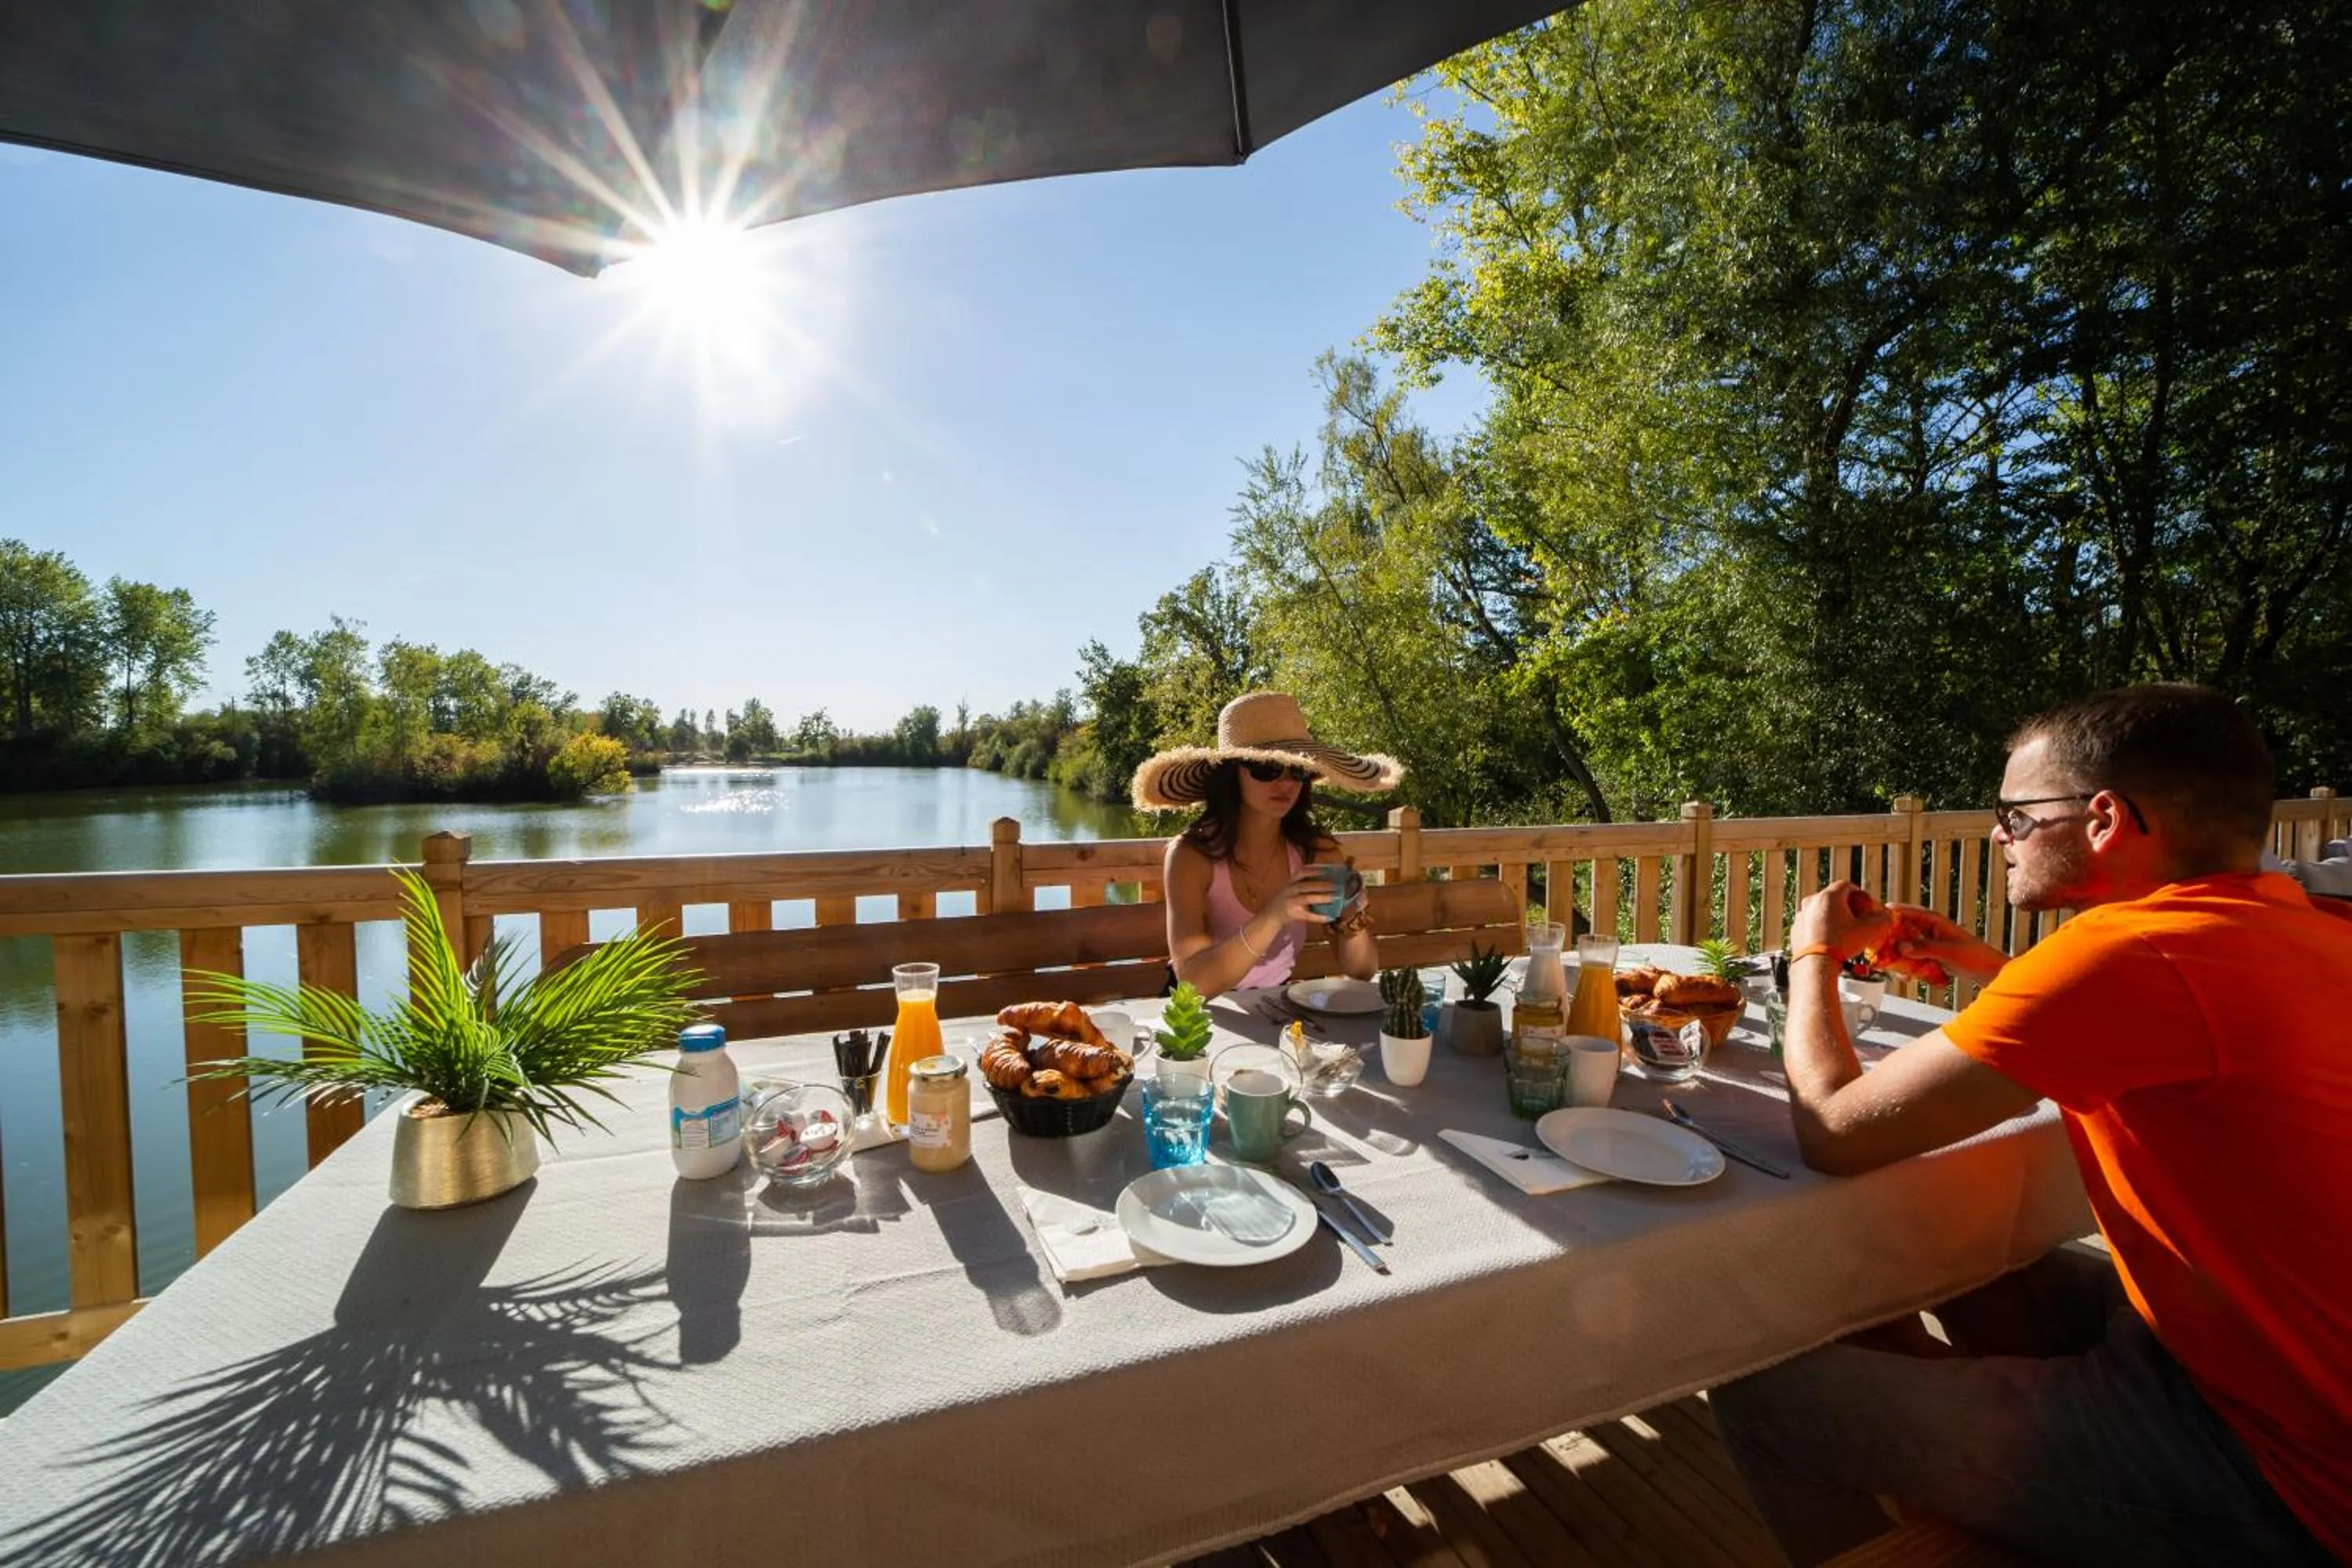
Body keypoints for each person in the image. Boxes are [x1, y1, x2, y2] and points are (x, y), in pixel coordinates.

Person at [1713, 684, 2350, 1566]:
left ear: (2103, 819)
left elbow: (1834, 1127)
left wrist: (1809, 952)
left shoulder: (2129, 953)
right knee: (1947, 1241)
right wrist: (1985, 966)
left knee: (1764, 1399)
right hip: (2239, 1359)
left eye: (2015, 812)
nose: (1996, 834)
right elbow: (2166, 1029)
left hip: (2283, 1478)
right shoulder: (2298, 922)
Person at [1131, 691, 1400, 998]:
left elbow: (1362, 971)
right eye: (1267, 769)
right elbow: (1193, 984)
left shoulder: (1317, 850)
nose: (1285, 783)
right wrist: (1275, 915)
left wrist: (1352, 913)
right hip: (1200, 1017)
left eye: (1297, 770)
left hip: (1274, 1008)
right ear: (1231, 775)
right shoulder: (1191, 855)